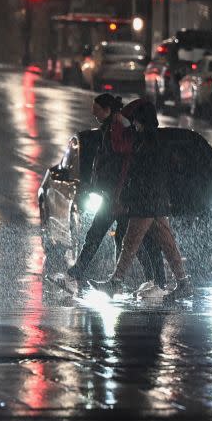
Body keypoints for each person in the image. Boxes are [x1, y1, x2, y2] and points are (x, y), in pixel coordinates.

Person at [103, 101, 191, 301]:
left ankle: (115, 282)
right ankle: (184, 283)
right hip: (157, 202)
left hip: (147, 203)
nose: (134, 125)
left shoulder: (145, 144)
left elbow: (139, 175)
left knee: (130, 243)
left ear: (142, 122)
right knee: (168, 245)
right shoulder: (156, 140)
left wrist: (125, 198)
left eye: (136, 122)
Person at [65, 93, 132, 291]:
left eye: (97, 111)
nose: (94, 114)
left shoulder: (117, 130)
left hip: (116, 195)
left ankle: (121, 279)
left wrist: (117, 193)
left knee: (118, 236)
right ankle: (117, 279)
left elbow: (118, 164)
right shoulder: (109, 129)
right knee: (120, 237)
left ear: (107, 110)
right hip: (112, 194)